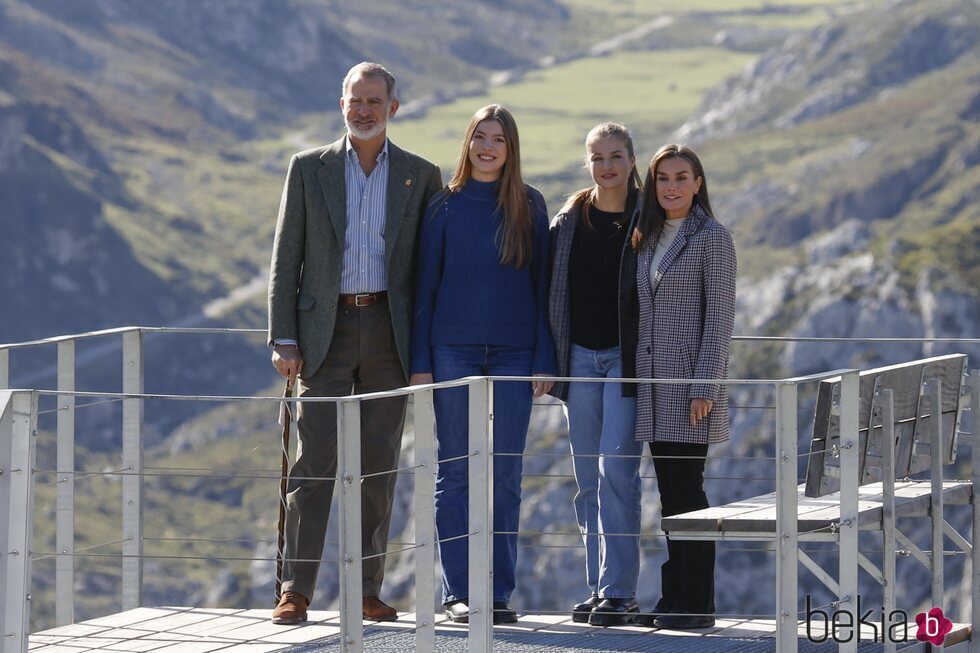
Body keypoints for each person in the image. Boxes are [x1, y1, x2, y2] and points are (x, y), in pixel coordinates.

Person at [267, 61, 442, 625]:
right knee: (312, 462)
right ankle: (295, 589)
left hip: (390, 335)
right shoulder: (307, 169)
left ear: (394, 108)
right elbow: (284, 259)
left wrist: (425, 352)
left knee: (377, 467)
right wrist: (285, 337)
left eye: (374, 101)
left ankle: (367, 590)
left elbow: (428, 271)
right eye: (354, 100)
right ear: (340, 104)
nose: (363, 110)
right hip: (325, 334)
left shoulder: (421, 175)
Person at [409, 104, 556, 625]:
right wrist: (420, 361)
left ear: (511, 148)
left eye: (498, 138)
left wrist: (544, 357)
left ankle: (497, 594)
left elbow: (543, 292)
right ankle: (459, 594)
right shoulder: (442, 207)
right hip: (452, 350)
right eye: (480, 137)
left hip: (517, 353)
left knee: (506, 471)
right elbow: (424, 287)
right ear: (468, 143)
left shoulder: (530, 206)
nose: (488, 146)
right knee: (457, 471)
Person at [629, 143, 736, 630]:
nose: (671, 186)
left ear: (698, 183)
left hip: (690, 388)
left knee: (688, 492)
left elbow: (719, 318)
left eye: (681, 177)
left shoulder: (713, 237)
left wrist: (704, 385)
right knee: (671, 495)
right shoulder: (648, 236)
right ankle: (675, 599)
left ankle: (697, 604)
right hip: (653, 386)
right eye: (663, 178)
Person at [547, 123, 644, 626]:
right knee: (587, 478)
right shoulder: (568, 221)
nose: (606, 165)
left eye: (616, 155)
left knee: (616, 472)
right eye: (597, 157)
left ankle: (621, 592)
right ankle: (599, 587)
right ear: (588, 163)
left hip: (628, 363)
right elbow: (547, 295)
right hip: (580, 359)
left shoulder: (650, 217)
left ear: (632, 160)